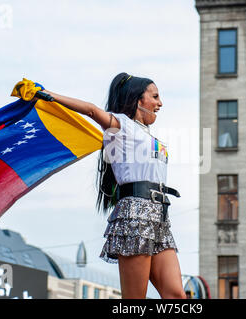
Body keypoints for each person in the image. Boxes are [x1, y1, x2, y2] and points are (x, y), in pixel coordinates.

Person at [39, 73, 186, 299]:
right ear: (139, 100)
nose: (160, 103)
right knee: (134, 300)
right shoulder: (122, 126)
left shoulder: (148, 135)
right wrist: (48, 95)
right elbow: (90, 110)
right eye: (155, 97)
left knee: (176, 295)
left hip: (160, 216)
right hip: (136, 214)